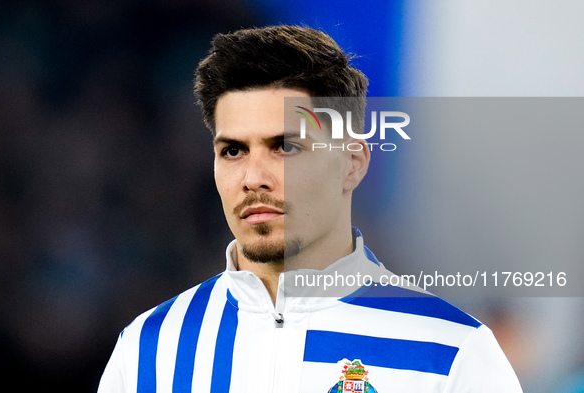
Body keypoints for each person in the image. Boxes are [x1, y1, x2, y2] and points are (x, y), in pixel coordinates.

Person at [98, 25, 523, 392]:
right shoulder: (147, 350)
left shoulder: (452, 353)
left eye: (285, 146)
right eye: (232, 150)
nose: (253, 176)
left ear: (352, 163)